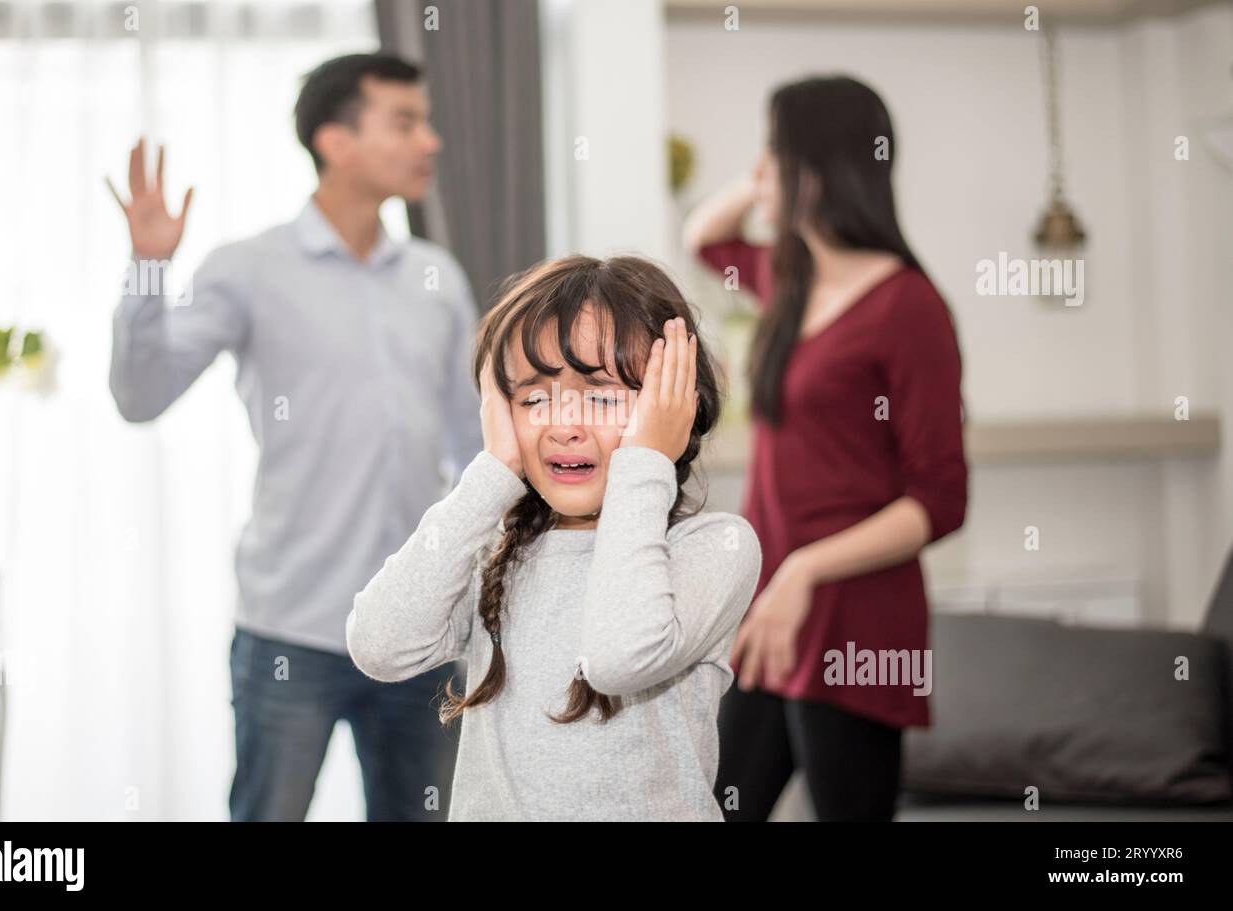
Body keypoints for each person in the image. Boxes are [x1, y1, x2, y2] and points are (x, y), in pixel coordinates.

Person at [104, 53, 483, 821]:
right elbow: (141, 395)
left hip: (420, 630)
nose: (431, 142)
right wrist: (149, 269)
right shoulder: (248, 268)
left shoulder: (436, 276)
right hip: (290, 632)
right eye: (405, 122)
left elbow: (473, 442)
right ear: (335, 141)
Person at [346, 255, 763, 820]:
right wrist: (493, 471)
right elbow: (379, 644)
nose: (565, 425)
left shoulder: (714, 547)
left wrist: (643, 462)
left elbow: (620, 658)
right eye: (534, 398)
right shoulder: (494, 550)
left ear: (676, 407)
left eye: (602, 395)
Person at [683, 75, 968, 821]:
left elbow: (939, 498)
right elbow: (704, 238)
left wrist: (807, 567)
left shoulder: (909, 307)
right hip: (774, 605)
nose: (759, 171)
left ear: (815, 169)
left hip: (851, 613)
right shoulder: (789, 280)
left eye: (772, 155)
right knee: (712, 806)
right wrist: (761, 181)